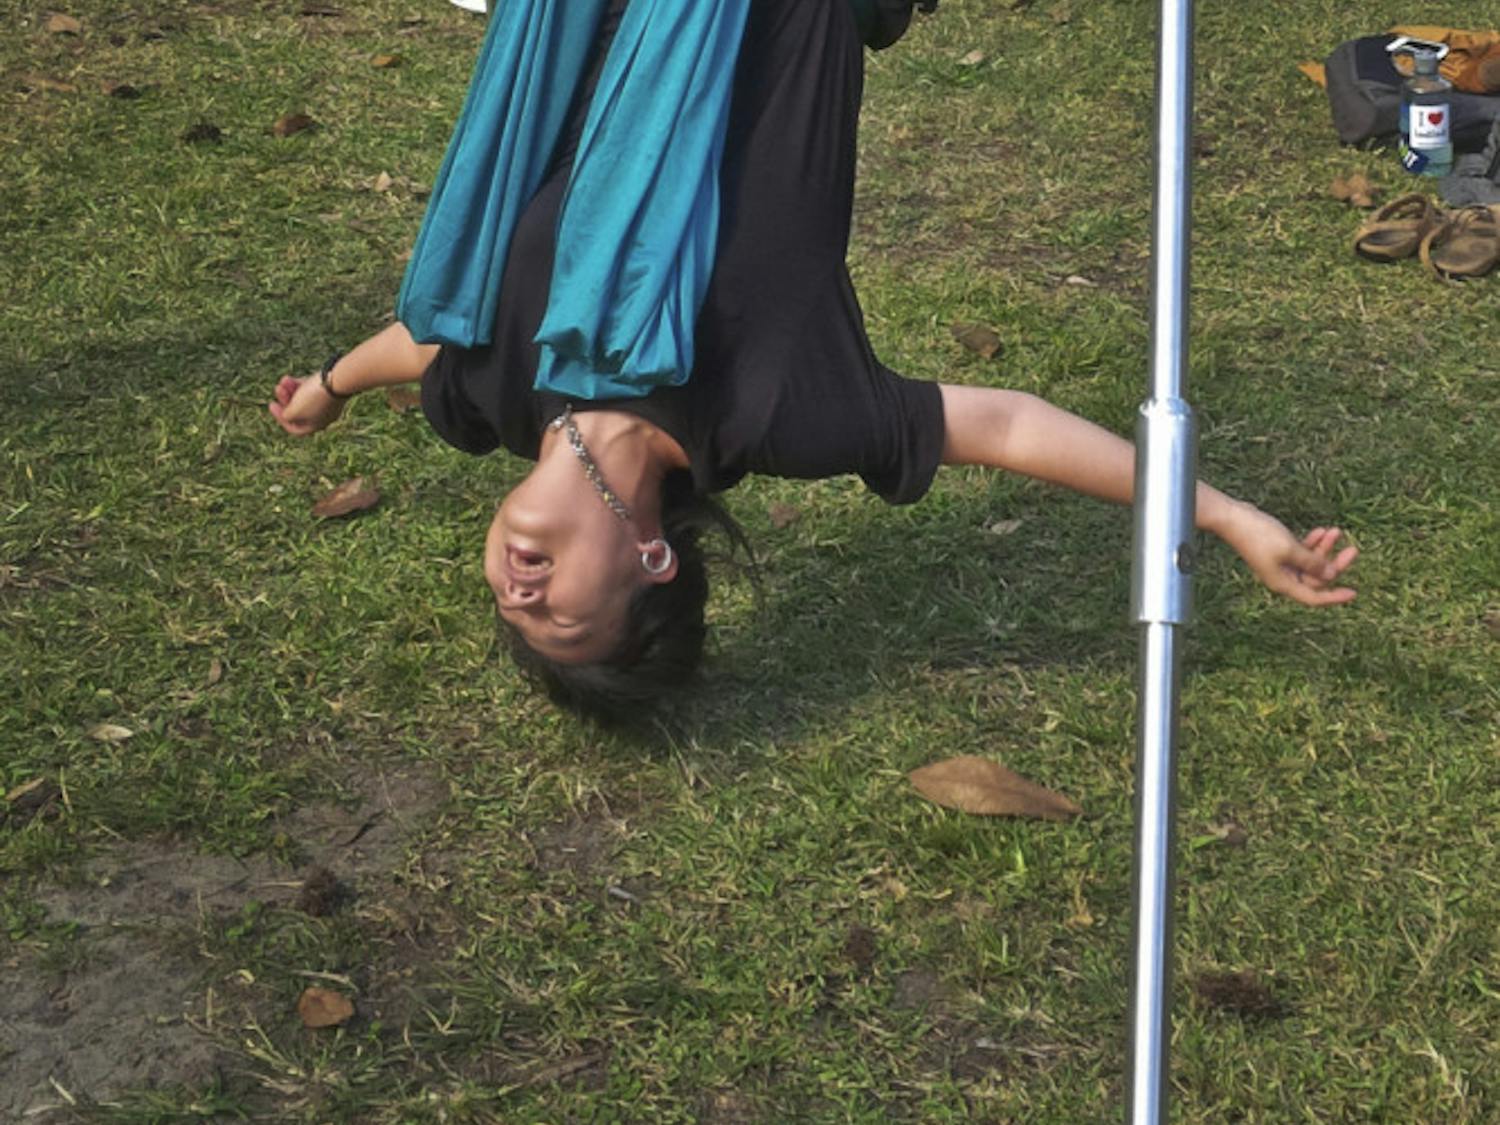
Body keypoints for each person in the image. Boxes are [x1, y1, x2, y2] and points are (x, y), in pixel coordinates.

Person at [270, 0, 1357, 720]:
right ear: (651, 560)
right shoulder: (769, 411)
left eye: (509, 610)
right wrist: (1224, 516)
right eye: (556, 615)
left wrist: (327, 387)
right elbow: (1006, 426)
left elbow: (428, 333)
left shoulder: (498, 396)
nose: (516, 590)